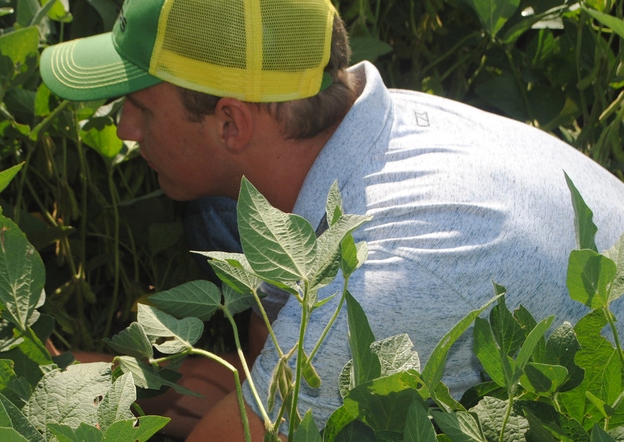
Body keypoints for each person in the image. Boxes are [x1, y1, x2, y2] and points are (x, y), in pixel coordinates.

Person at [36, 0, 624, 440]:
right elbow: (255, 384)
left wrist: (16, 346)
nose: (124, 131)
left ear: (232, 123)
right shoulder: (374, 132)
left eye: (139, 107)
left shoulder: (381, 276)